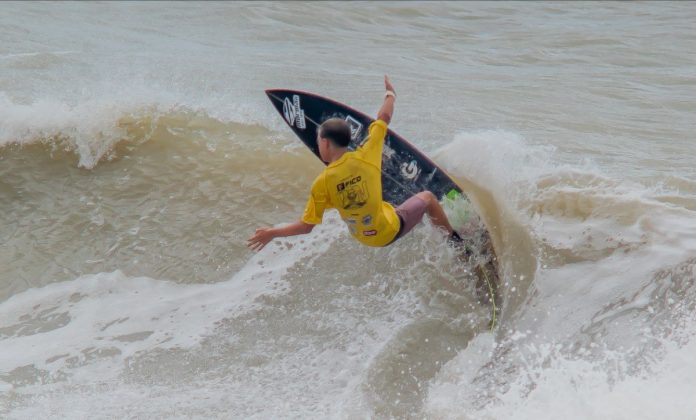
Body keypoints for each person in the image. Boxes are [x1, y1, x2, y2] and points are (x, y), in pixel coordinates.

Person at [247, 75, 463, 252]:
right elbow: (384, 117)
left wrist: (271, 233)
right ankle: (455, 242)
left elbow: (305, 227)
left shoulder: (322, 183)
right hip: (389, 228)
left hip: (365, 238)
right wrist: (390, 94)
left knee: (367, 201)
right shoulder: (367, 154)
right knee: (427, 198)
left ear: (324, 142)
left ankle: (387, 201)